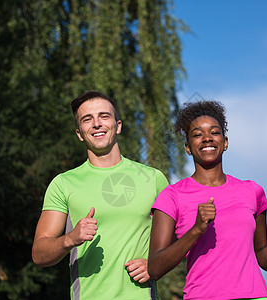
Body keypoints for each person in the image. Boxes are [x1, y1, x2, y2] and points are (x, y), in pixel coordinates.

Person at [32, 91, 168, 299]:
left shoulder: (153, 178)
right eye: (87, 119)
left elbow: (180, 238)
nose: (96, 123)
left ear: (118, 125)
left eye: (104, 116)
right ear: (79, 133)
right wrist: (69, 239)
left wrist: (155, 264)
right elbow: (39, 254)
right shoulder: (63, 183)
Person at [148, 100, 267, 300]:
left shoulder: (252, 191)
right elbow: (155, 268)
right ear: (188, 147)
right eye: (197, 134)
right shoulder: (172, 196)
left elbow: (261, 248)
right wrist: (196, 230)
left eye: (214, 132)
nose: (207, 138)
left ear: (225, 142)